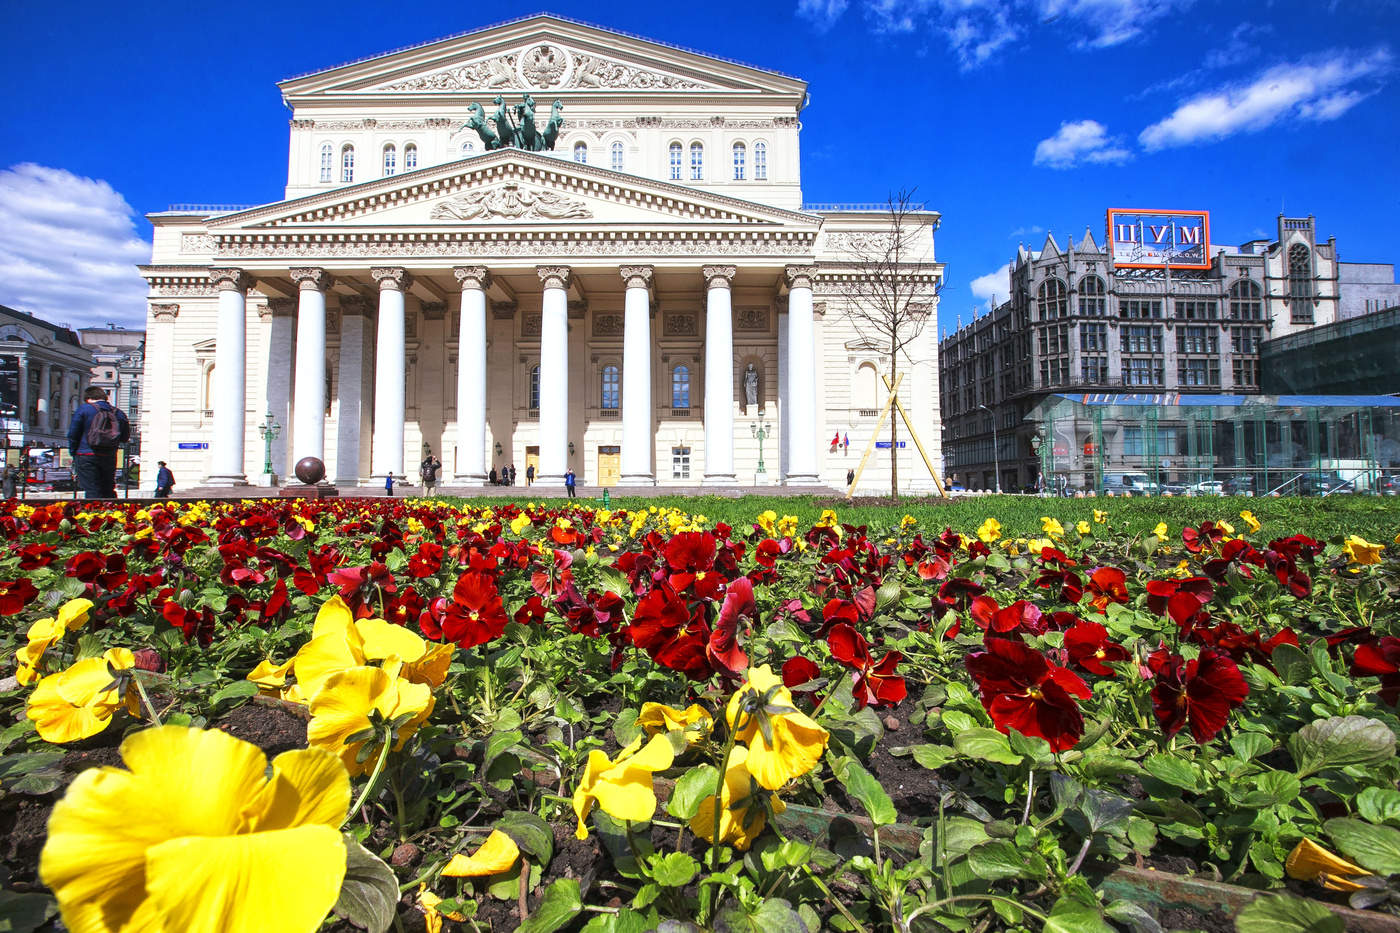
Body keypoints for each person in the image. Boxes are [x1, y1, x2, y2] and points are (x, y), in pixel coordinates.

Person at [68, 386, 130, 499]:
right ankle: (111, 513)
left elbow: (73, 433)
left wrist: (74, 452)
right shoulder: (118, 413)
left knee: (91, 489)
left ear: (88, 398)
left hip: (86, 454)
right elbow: (125, 437)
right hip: (109, 456)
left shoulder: (84, 409)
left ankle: (95, 513)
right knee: (108, 488)